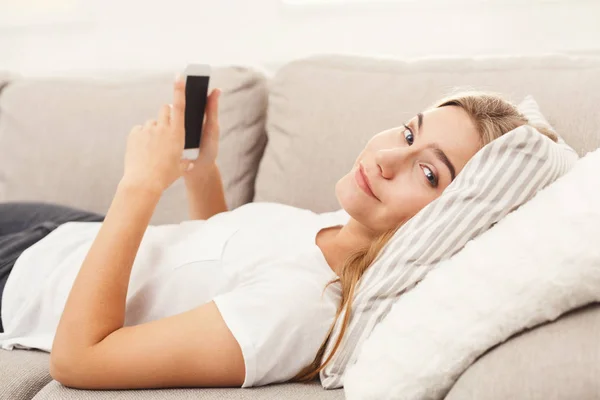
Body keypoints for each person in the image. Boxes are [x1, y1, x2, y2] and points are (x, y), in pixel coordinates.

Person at [0, 77, 557, 390]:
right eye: (409, 132)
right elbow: (207, 268)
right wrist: (203, 170)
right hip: (65, 233)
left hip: (20, 278)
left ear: (453, 222)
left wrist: (140, 185)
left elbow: (80, 360)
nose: (388, 157)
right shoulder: (337, 229)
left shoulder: (301, 310)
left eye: (429, 172)